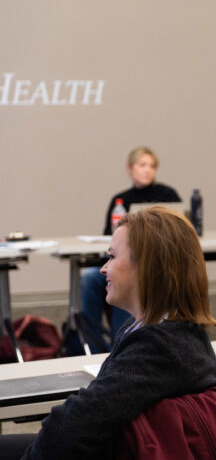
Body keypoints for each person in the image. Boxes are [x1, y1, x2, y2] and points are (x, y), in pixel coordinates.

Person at [0, 207, 216, 460]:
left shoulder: (158, 346)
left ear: (148, 268)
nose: (103, 268)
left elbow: (79, 420)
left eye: (112, 257)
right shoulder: (180, 332)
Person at [78, 146, 181, 352]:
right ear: (129, 168)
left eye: (152, 166)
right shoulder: (120, 200)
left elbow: (177, 233)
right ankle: (93, 346)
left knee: (131, 274)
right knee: (89, 277)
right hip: (123, 260)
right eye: (142, 165)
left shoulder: (167, 195)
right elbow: (110, 237)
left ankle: (125, 343)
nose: (147, 170)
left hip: (151, 264)